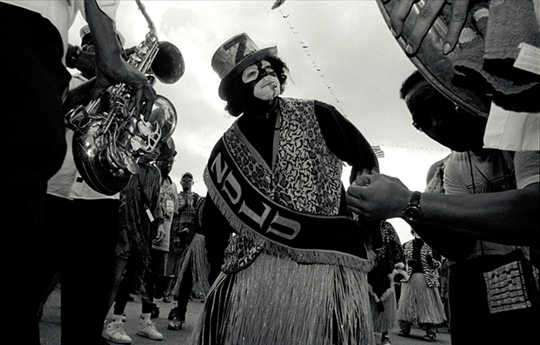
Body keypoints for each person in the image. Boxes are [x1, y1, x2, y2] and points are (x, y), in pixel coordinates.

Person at [188, 33, 379, 345]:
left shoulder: (318, 114)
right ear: (238, 89)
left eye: (269, 68)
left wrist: (366, 225)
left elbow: (364, 160)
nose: (266, 76)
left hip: (327, 268)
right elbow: (216, 217)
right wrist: (215, 274)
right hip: (251, 269)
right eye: (253, 73)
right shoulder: (225, 148)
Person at [1, 1, 155, 344]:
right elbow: (50, 111)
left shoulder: (116, 93)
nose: (91, 52)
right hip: (54, 196)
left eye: (95, 45)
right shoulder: (58, 76)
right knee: (24, 286)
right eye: (87, 46)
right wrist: (104, 75)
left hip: (98, 203)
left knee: (86, 308)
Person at [347, 71, 540, 344]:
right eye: (421, 121)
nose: (435, 123)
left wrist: (407, 200)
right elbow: (460, 247)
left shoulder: (528, 122)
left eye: (442, 105)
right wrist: (403, 206)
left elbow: (534, 214)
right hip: (479, 281)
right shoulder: (454, 166)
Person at [102, 138, 177, 344]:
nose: (156, 152)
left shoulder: (156, 173)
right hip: (122, 230)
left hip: (144, 233)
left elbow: (155, 202)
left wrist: (159, 223)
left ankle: (136, 322)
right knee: (114, 277)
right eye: (154, 146)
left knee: (143, 278)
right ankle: (103, 322)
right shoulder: (126, 162)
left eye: (160, 149)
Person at [168, 196, 210, 331]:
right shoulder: (204, 202)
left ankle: (210, 320)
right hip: (197, 245)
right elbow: (194, 223)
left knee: (213, 284)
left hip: (216, 247)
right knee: (186, 280)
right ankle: (180, 315)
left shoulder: (226, 202)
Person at [396, 230, 446, 342]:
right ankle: (404, 327)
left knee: (427, 305)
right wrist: (407, 264)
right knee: (405, 303)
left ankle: (430, 330)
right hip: (409, 279)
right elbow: (400, 260)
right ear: (412, 232)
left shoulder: (432, 245)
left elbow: (438, 263)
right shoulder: (406, 245)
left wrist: (432, 262)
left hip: (425, 280)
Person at [163, 172, 201, 303]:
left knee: (183, 267)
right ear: (180, 182)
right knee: (170, 267)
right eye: (184, 179)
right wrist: (184, 205)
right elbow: (171, 211)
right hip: (175, 234)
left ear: (193, 183)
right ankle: (165, 292)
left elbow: (199, 215)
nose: (186, 181)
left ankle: (180, 294)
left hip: (189, 237)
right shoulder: (176, 196)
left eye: (189, 179)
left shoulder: (196, 198)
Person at [367, 221, 405, 345]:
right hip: (369, 268)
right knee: (370, 299)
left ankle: (385, 333)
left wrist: (397, 264)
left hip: (385, 270)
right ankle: (369, 329)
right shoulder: (365, 224)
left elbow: (396, 247)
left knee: (386, 301)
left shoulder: (388, 227)